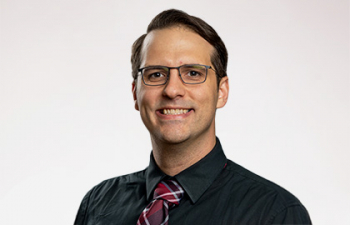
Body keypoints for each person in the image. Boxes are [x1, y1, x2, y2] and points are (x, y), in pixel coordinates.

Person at [74, 9, 312, 225]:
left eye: (193, 73)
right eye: (156, 74)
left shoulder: (274, 213)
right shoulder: (98, 205)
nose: (172, 90)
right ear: (136, 93)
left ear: (221, 91)